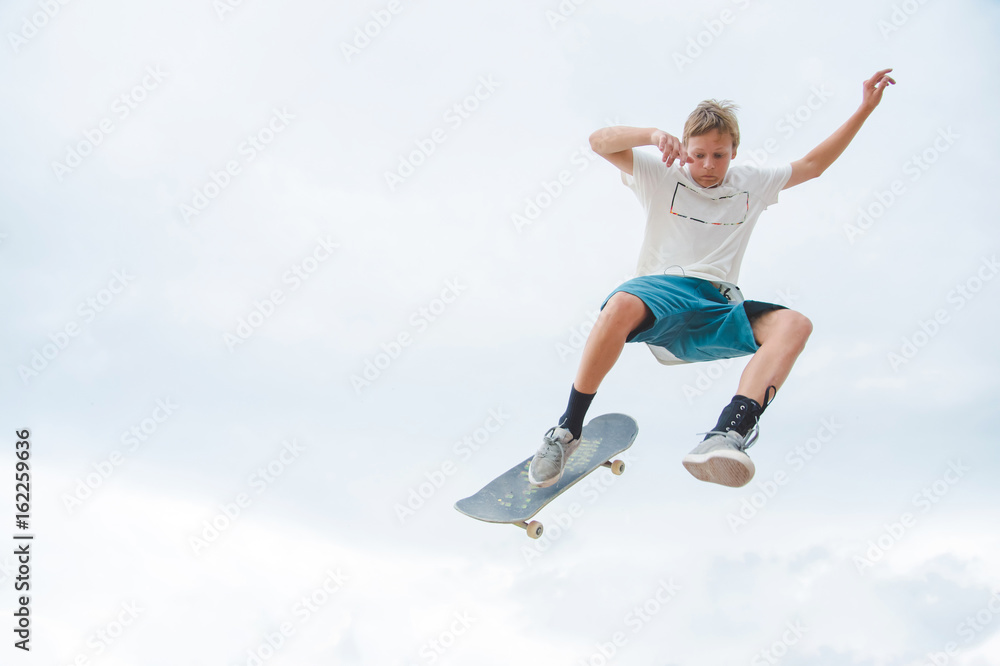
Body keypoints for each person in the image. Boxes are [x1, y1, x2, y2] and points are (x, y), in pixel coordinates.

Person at [528, 69, 896, 489]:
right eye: (698, 154)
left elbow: (812, 166)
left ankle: (728, 434)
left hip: (717, 306)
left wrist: (864, 109)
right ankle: (567, 430)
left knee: (796, 324)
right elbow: (598, 142)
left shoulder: (750, 184)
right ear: (684, 149)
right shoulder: (662, 174)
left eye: (718, 156)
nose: (707, 166)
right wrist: (650, 135)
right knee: (621, 303)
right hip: (661, 294)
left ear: (734, 152)